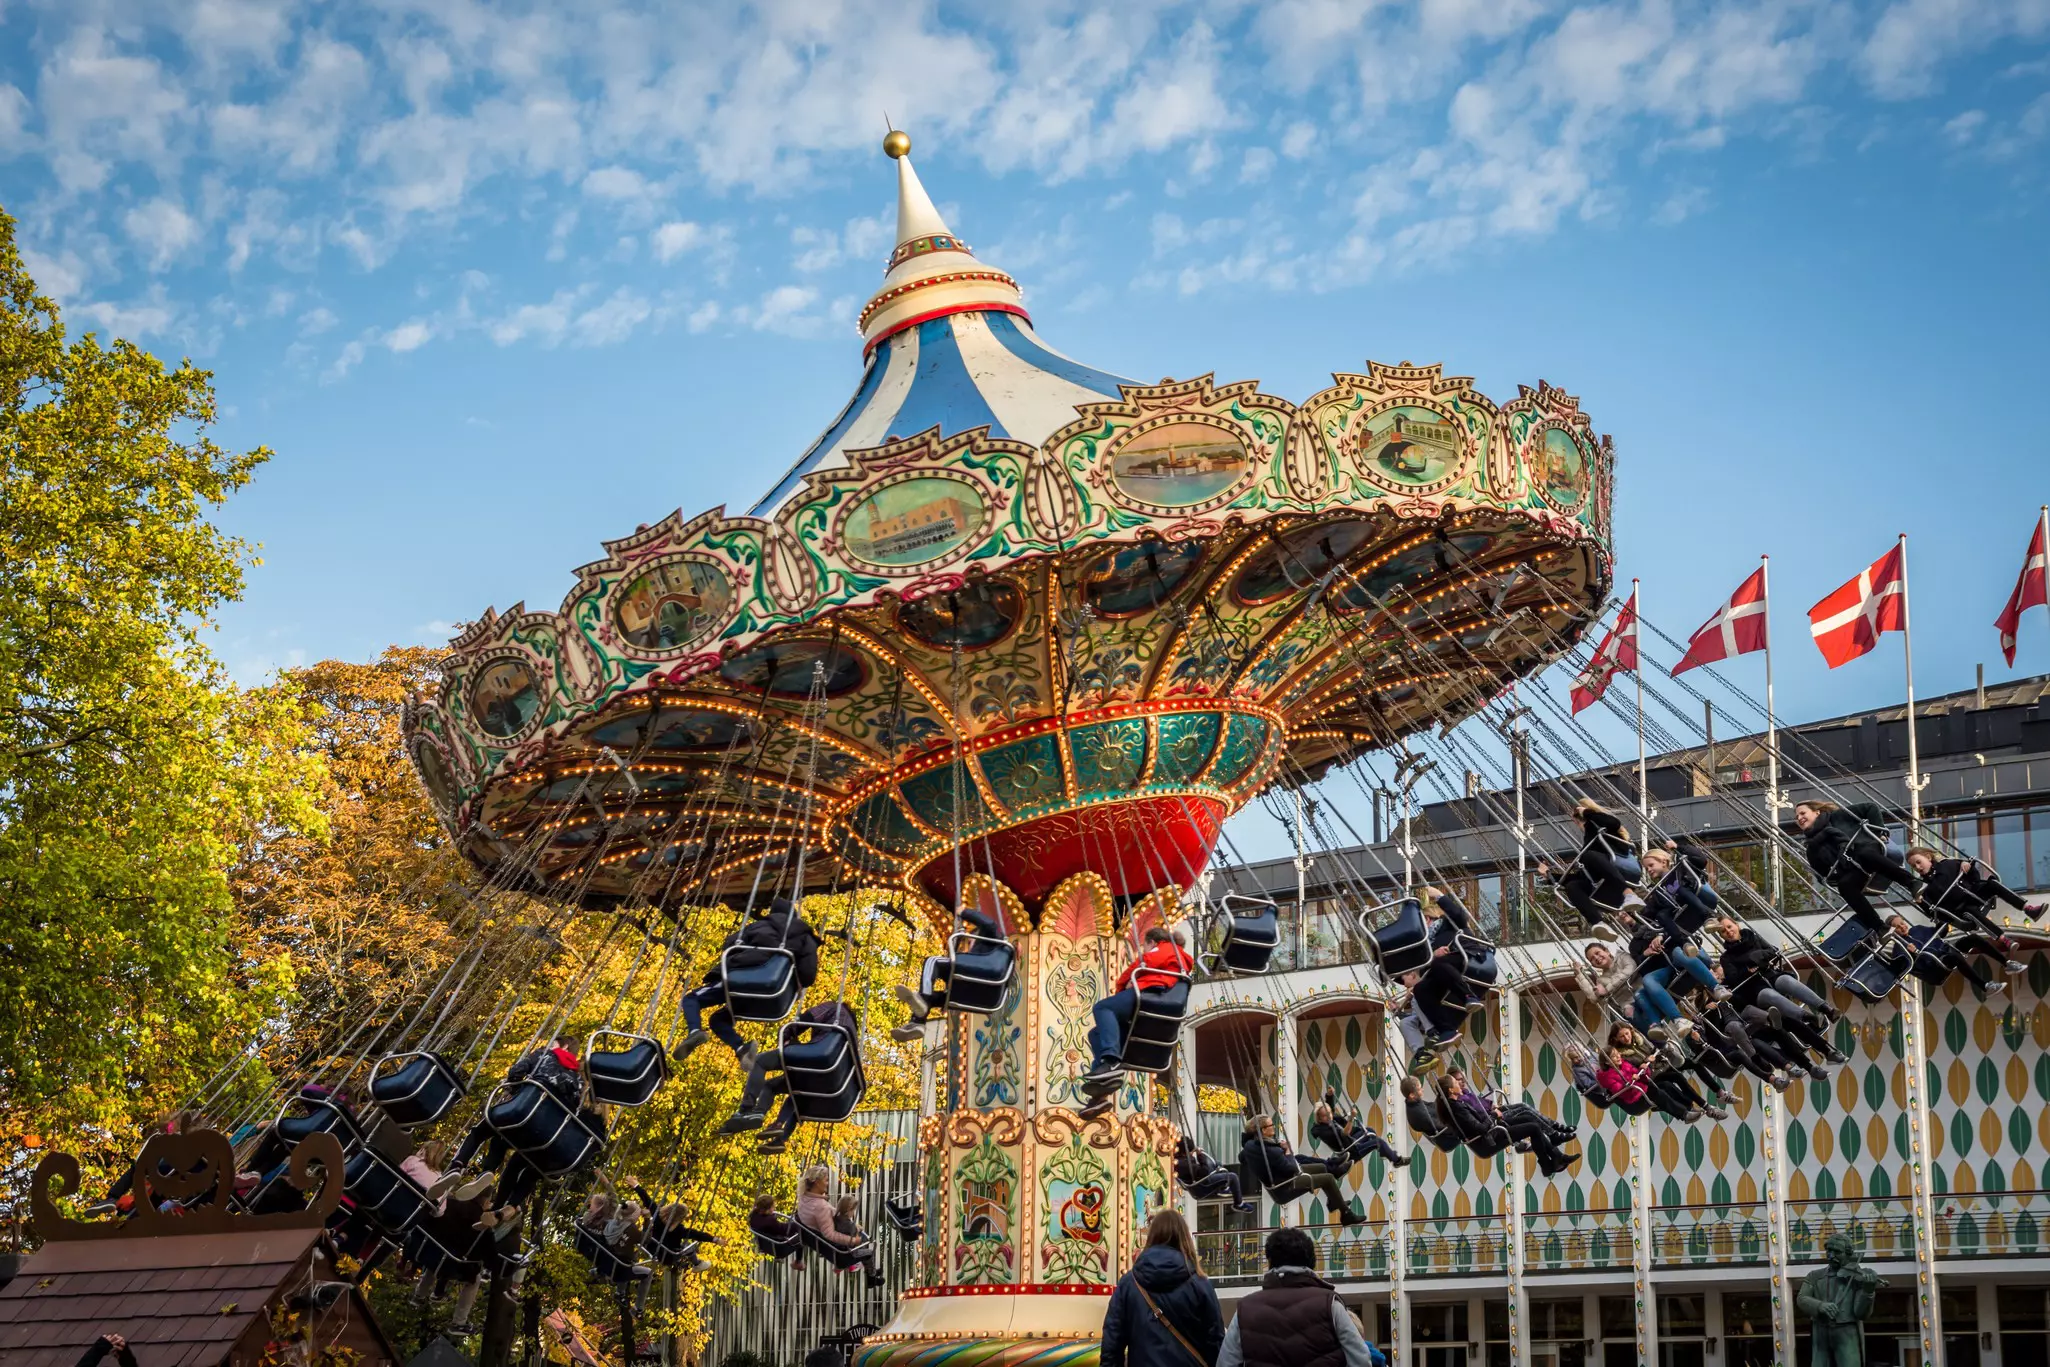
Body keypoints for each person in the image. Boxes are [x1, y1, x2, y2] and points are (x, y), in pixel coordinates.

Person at [675, 897, 823, 1067]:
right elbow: (808, 976)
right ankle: (741, 1049)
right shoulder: (807, 938)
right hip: (775, 994)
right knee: (718, 1020)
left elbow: (729, 944)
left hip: (743, 978)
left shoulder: (759, 926)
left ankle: (694, 1031)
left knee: (692, 999)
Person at [1215, 1226, 1380, 1367]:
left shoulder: (1245, 1310)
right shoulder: (1330, 1304)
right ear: (1310, 1262)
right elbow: (1361, 1358)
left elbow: (1226, 1362)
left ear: (1270, 1261)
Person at [720, 998, 860, 1153]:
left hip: (818, 1054)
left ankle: (747, 1110)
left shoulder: (834, 1008)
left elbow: (806, 1019)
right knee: (797, 1091)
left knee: (760, 1062)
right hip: (830, 1076)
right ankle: (780, 1134)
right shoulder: (851, 1037)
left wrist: (787, 1036)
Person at [1099, 1208, 1226, 1367]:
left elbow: (1112, 1342)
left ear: (1152, 1236)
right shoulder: (1200, 1284)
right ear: (1185, 1238)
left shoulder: (1129, 1283)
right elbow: (1215, 1340)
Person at [1085, 926, 1196, 1088]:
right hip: (1158, 999)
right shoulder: (1179, 960)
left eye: (1144, 947)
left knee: (1103, 1008)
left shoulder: (1166, 948)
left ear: (1152, 942)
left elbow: (1144, 962)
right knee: (1095, 1033)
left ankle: (1111, 1061)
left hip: (1149, 993)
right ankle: (1102, 1076)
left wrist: (1123, 985)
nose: (1144, 951)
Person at [1795, 800, 1919, 936]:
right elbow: (1822, 873)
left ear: (1817, 812)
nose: (1800, 818)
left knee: (1864, 853)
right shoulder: (1813, 846)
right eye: (1797, 817)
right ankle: (1879, 927)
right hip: (1852, 868)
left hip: (1866, 849)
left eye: (1803, 813)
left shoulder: (1837, 816)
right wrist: (1833, 873)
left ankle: (1912, 883)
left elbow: (1870, 807)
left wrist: (1878, 833)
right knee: (1845, 886)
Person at [893, 903, 1008, 1042]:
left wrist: (964, 912)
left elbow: (990, 924)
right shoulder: (991, 953)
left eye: (971, 939)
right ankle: (918, 1023)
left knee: (933, 962)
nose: (970, 943)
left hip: (982, 971)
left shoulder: (991, 938)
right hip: (984, 996)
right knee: (940, 997)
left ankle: (923, 998)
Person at [1237, 1115, 1366, 1226]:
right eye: (1271, 1125)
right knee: (1328, 1179)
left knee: (1321, 1168)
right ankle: (1346, 1215)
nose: (1274, 1127)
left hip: (1281, 1178)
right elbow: (1291, 1169)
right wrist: (1287, 1151)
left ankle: (1333, 1198)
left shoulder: (1251, 1146)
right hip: (1286, 1186)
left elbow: (1242, 1157)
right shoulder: (1270, 1151)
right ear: (1263, 1130)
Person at [1536, 799, 1636, 934]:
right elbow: (1582, 876)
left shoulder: (1606, 832)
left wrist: (1587, 813)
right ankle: (1598, 923)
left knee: (1589, 855)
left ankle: (1628, 893)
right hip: (1602, 886)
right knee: (1573, 886)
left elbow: (1614, 822)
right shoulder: (1589, 844)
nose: (1579, 825)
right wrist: (1548, 875)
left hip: (1620, 874)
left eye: (1578, 822)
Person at [1910, 847, 2043, 938]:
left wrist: (1968, 866)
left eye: (1918, 862)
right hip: (1961, 907)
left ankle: (2028, 909)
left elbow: (1975, 878)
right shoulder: (1925, 887)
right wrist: (1920, 902)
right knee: (1970, 911)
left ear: (1928, 857)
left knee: (1993, 884)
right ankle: (2004, 939)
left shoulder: (1948, 863)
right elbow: (1933, 913)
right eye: (1914, 866)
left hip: (1974, 893)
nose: (1918, 867)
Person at [795, 1165, 885, 1290]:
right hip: (838, 1253)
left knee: (859, 1235)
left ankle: (871, 1271)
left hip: (823, 1244)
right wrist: (852, 1241)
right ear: (816, 1182)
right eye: (826, 1180)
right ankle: (872, 1278)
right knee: (867, 1250)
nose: (827, 1183)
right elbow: (829, 1234)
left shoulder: (804, 1199)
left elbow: (830, 1211)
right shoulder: (820, 1206)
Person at [1885, 913, 2015, 996]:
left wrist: (1942, 922)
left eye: (1902, 923)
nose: (1902, 927)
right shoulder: (1898, 948)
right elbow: (1903, 967)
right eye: (1897, 927)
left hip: (1945, 952)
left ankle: (2006, 963)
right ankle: (1985, 986)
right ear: (1893, 932)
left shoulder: (1917, 929)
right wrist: (1912, 954)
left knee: (1973, 939)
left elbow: (1940, 932)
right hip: (1934, 969)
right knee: (1954, 957)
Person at [1310, 1090, 1410, 1174]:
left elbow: (1330, 1108)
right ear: (1319, 1119)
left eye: (1330, 1114)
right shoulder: (1322, 1132)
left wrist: (1329, 1096)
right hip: (1350, 1150)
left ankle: (1384, 1152)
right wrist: (1351, 1119)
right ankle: (1396, 1160)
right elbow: (1345, 1134)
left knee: (1370, 1130)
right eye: (1325, 1116)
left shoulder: (1330, 1118)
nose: (1329, 1116)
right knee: (1378, 1142)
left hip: (1350, 1140)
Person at [1174, 1135, 1255, 1214]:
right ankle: (1238, 1203)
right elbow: (1204, 1172)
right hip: (1201, 1185)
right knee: (1233, 1177)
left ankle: (1224, 1188)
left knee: (1217, 1164)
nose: (1192, 1154)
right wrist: (1200, 1155)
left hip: (1199, 1180)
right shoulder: (1185, 1164)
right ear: (1185, 1152)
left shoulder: (1179, 1160)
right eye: (1190, 1152)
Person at [748, 1192, 805, 1269]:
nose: (774, 1208)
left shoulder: (753, 1217)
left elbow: (777, 1228)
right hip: (779, 1247)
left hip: (766, 1245)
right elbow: (785, 1231)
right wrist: (796, 1223)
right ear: (768, 1209)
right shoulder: (769, 1221)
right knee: (802, 1236)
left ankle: (797, 1262)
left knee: (795, 1228)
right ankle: (798, 1262)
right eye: (773, 1207)